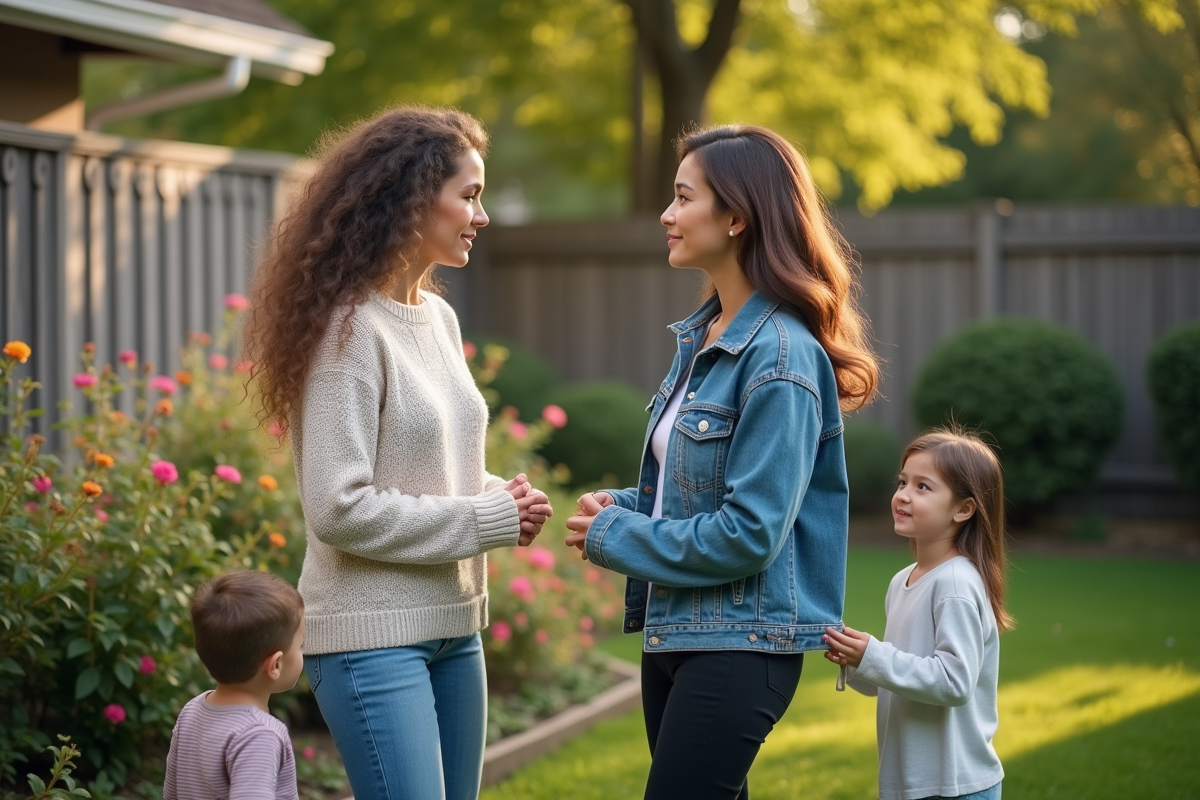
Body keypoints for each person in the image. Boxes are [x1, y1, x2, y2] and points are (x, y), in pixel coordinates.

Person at [242, 106, 553, 800]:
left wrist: (504, 496)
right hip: (368, 638)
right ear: (411, 197)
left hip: (454, 627)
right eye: (469, 195)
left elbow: (433, 469)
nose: (483, 214)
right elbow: (338, 506)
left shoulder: (437, 318)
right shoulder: (346, 332)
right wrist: (484, 517)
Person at [565, 124, 880, 800]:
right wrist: (621, 506)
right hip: (678, 630)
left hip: (742, 648)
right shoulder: (705, 338)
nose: (666, 215)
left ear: (736, 216)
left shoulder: (781, 359)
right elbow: (699, 492)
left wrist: (616, 538)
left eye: (683, 198)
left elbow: (751, 531)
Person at [823, 427, 1012, 800]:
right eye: (902, 482)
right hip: (911, 781)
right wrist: (857, 660)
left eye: (923, 487)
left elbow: (954, 681)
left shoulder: (956, 583)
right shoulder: (902, 581)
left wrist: (875, 655)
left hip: (955, 786)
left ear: (963, 509)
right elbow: (904, 674)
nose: (903, 496)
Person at [164, 570, 305, 800]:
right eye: (301, 645)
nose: (302, 652)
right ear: (275, 664)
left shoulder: (192, 710)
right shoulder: (259, 734)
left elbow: (172, 793)